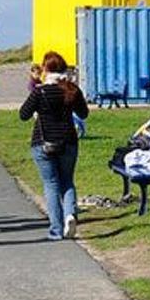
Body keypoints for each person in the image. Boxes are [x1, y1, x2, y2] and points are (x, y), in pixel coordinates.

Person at [19, 50, 90, 240]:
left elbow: (23, 114)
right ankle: (70, 215)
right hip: (68, 141)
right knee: (67, 181)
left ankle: (56, 230)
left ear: (46, 69)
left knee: (51, 184)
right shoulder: (72, 89)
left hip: (43, 142)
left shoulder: (40, 91)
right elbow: (83, 114)